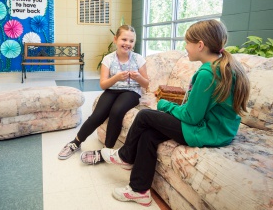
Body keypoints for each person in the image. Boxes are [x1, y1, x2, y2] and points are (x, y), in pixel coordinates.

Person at [100, 19, 250, 206]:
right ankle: (139, 190)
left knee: (145, 115)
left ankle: (124, 155)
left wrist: (164, 104)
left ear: (200, 45)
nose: (185, 47)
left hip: (208, 131)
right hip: (219, 128)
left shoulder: (207, 74)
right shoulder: (222, 65)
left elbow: (191, 117)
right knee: (148, 133)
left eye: (188, 42)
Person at [58, 24, 150, 164]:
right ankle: (76, 142)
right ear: (115, 39)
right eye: (124, 39)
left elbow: (146, 84)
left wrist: (137, 77)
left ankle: (106, 151)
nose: (127, 43)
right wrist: (116, 78)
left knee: (117, 111)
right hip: (112, 89)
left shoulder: (138, 59)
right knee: (97, 115)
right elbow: (103, 84)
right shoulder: (108, 59)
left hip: (131, 92)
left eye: (131, 41)